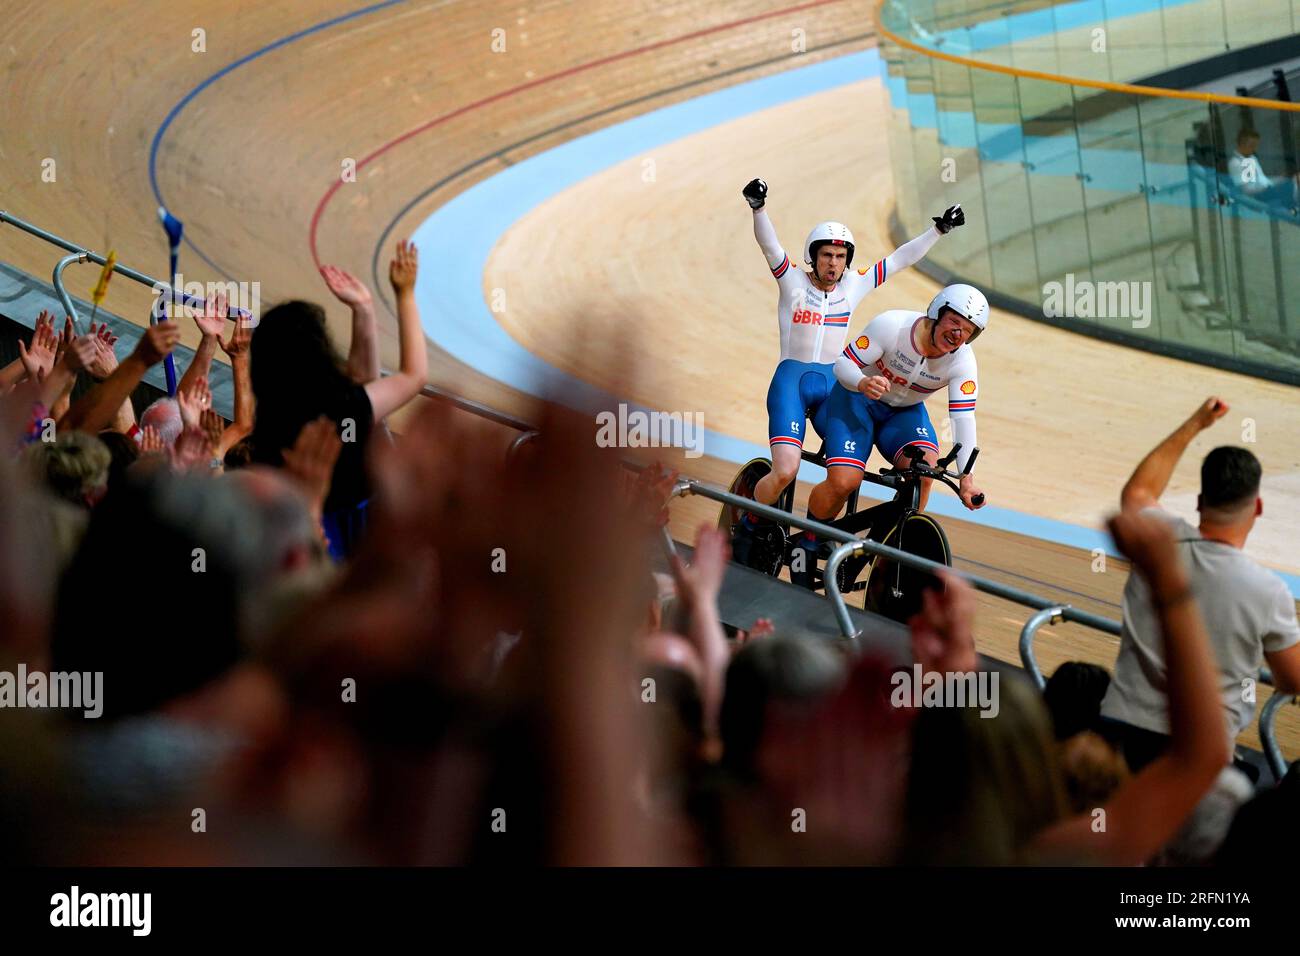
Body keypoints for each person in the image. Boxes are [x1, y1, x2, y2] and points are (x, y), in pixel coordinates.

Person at [731, 177, 964, 562]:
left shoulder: (853, 286)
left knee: (844, 473)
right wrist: (758, 208)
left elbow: (900, 259)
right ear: (813, 256)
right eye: (826, 256)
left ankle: (813, 537)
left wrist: (937, 231)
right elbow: (768, 244)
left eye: (840, 257)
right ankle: (751, 523)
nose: (833, 263)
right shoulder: (791, 280)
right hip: (791, 380)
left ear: (847, 261)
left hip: (834, 384)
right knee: (786, 469)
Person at [1099, 397, 1300, 770]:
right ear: (1256, 508)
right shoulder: (1268, 591)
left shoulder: (1156, 545)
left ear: (1198, 501)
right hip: (1198, 758)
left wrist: (1196, 423)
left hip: (1119, 736)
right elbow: (1293, 679)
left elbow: (1139, 492)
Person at [789, 283, 989, 585]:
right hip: (857, 399)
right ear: (937, 312)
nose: (958, 334)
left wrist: (967, 478)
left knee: (924, 476)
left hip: (904, 413)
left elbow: (962, 417)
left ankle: (891, 555)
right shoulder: (892, 325)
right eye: (954, 322)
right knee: (845, 480)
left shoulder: (963, 361)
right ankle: (808, 541)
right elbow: (843, 364)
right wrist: (861, 383)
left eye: (968, 330)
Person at [247, 241, 427, 560]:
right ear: (320, 351)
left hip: (301, 534)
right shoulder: (346, 405)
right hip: (365, 533)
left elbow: (362, 383)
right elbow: (412, 375)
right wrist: (404, 295)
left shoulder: (269, 423)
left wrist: (364, 310)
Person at [1228, 128, 1298, 214]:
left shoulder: (1250, 158)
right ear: (1242, 144)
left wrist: (1280, 178)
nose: (1254, 149)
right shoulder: (1237, 163)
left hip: (1264, 191)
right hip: (1257, 197)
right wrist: (1269, 186)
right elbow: (1248, 190)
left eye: (1256, 145)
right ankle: (1292, 211)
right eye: (1252, 145)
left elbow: (1262, 180)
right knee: (1289, 185)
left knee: (1294, 179)